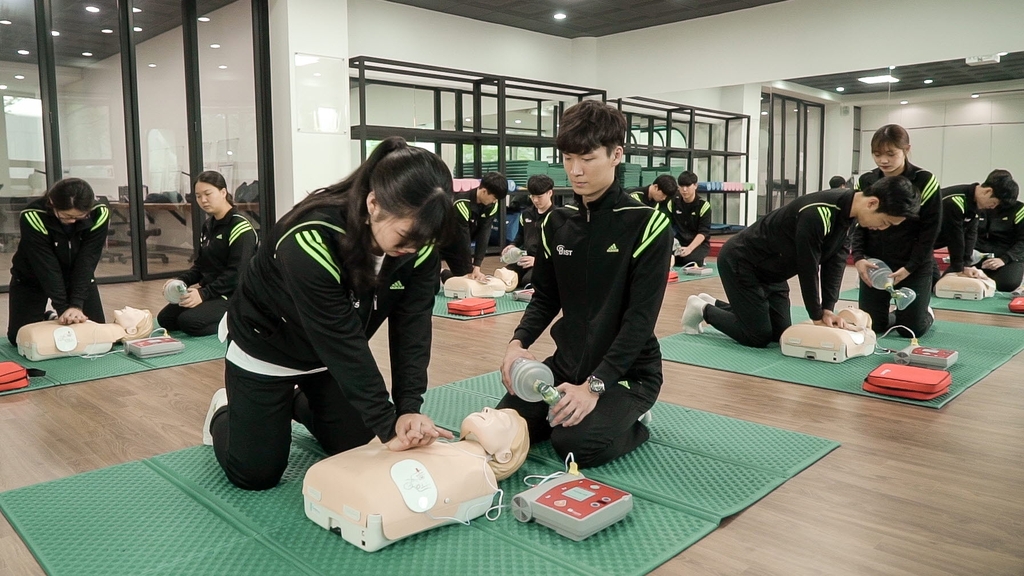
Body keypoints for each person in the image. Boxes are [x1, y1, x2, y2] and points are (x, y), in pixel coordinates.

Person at [204, 137, 457, 491]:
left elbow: (412, 327)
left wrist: (408, 408)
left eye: (424, 240)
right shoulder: (311, 238)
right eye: (405, 235)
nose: (413, 248)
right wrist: (387, 424)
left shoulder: (420, 245)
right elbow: (341, 340)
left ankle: (294, 401)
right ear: (374, 204)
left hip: (326, 360)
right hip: (267, 348)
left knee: (355, 447)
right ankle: (226, 408)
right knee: (255, 475)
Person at [498, 100, 671, 468]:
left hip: (627, 374)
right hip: (566, 365)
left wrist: (594, 387)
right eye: (567, 158)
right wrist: (517, 344)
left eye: (587, 158)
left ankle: (635, 419)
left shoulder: (647, 224)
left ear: (616, 155)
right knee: (505, 425)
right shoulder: (556, 223)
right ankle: (579, 409)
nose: (575, 171)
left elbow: (640, 320)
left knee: (574, 445)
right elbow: (545, 297)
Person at [682, 177, 919, 347]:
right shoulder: (818, 213)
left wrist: (828, 308)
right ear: (872, 203)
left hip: (773, 272)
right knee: (758, 337)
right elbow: (809, 267)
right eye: (886, 222)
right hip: (742, 262)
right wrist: (816, 316)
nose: (882, 229)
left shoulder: (850, 218)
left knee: (781, 333)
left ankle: (712, 302)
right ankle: (702, 309)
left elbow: (835, 262)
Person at [303, 407, 529, 551]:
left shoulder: (480, 474)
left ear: (505, 455)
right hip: (347, 485)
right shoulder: (436, 444)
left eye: (500, 419)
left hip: (356, 497)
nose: (488, 408)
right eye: (489, 410)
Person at [851, 124, 941, 337]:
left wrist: (910, 267)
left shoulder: (925, 180)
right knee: (873, 326)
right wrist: (858, 258)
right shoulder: (866, 181)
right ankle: (897, 316)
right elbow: (857, 223)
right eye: (877, 154)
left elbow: (930, 230)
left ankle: (923, 312)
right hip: (877, 263)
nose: (883, 160)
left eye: (891, 154)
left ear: (906, 149)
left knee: (911, 330)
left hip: (914, 263)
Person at [8, 178, 110, 345]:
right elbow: (46, 267)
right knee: (18, 338)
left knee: (95, 334)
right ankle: (48, 316)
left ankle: (51, 317)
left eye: (79, 217)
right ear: (52, 203)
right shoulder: (33, 215)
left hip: (76, 274)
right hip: (33, 276)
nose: (72, 221)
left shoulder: (99, 213)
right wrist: (63, 309)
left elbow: (87, 259)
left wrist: (76, 305)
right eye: (67, 216)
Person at [157, 171, 258, 336]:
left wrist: (203, 294)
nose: (203, 200)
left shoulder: (240, 228)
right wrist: (180, 281)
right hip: (213, 291)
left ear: (223, 192)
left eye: (208, 194)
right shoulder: (208, 226)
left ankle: (241, 320)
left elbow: (237, 274)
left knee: (189, 323)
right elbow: (201, 266)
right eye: (198, 196)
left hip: (235, 295)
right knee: (166, 319)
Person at [933, 170, 1019, 284]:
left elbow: (970, 235)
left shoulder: (976, 204)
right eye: (994, 203)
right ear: (988, 191)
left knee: (936, 283)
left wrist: (966, 264)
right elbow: (954, 237)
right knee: (932, 284)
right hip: (913, 243)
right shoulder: (955, 201)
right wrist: (959, 268)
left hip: (927, 246)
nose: (993, 208)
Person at [438, 172, 508, 283]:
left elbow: (484, 234)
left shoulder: (492, 205)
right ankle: (436, 271)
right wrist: (470, 269)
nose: (495, 201)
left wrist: (477, 266)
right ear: (484, 191)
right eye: (494, 198)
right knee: (431, 284)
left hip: (458, 245)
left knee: (467, 282)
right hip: (442, 243)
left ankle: (443, 273)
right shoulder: (462, 203)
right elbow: (463, 238)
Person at [500, 174, 554, 288]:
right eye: (532, 196)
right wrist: (513, 245)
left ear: (550, 193)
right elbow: (521, 235)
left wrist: (538, 261)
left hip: (546, 263)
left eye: (539, 197)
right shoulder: (526, 214)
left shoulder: (556, 217)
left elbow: (560, 247)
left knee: (527, 281)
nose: (535, 200)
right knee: (504, 275)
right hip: (526, 259)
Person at [974, 195, 1024, 292]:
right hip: (977, 254)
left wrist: (1004, 259)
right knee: (952, 279)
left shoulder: (1019, 209)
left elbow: (1022, 241)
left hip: (1007, 257)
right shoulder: (977, 206)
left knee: (1007, 284)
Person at [672, 170, 713, 267]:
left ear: (695, 186)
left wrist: (689, 249)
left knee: (690, 260)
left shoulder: (704, 205)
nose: (684, 190)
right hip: (679, 242)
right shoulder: (673, 202)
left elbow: (703, 232)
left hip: (697, 244)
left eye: (688, 186)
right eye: (681, 186)